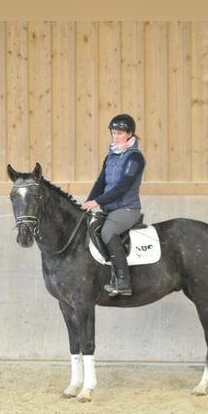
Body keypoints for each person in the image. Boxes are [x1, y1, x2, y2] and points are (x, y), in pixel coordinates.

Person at [80, 114, 146, 297]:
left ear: (130, 134)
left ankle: (123, 281)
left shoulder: (135, 158)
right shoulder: (111, 156)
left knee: (108, 231)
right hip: (109, 208)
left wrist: (97, 201)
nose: (115, 137)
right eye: (113, 133)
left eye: (119, 133)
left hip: (127, 209)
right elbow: (101, 182)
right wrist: (88, 203)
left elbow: (123, 187)